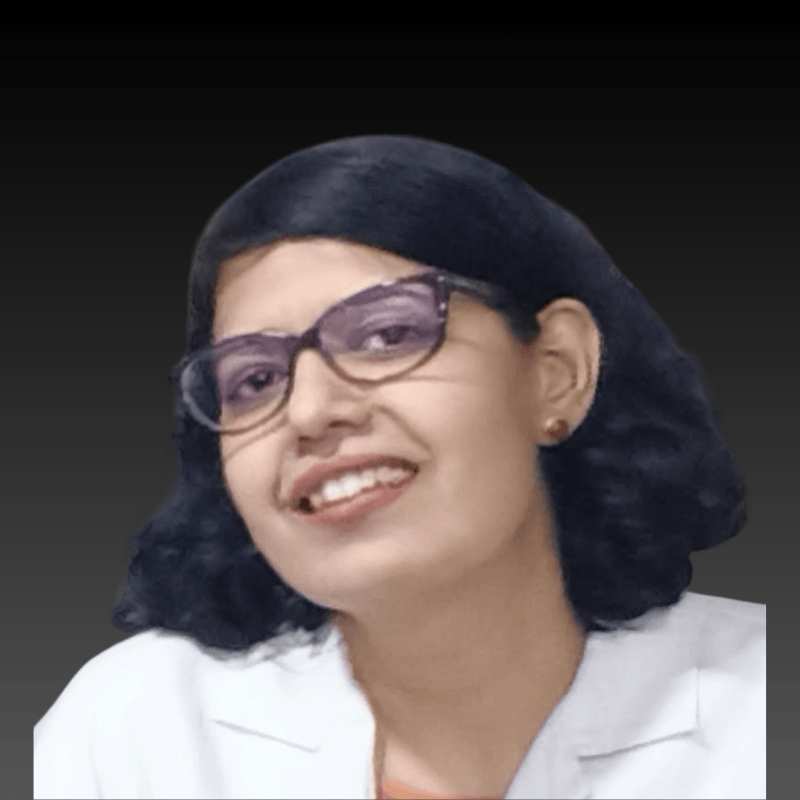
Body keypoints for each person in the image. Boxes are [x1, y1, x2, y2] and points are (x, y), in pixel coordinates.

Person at [33, 135, 766, 800]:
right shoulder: (135, 734)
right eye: (254, 379)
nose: (310, 411)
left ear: (557, 371)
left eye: (387, 334)